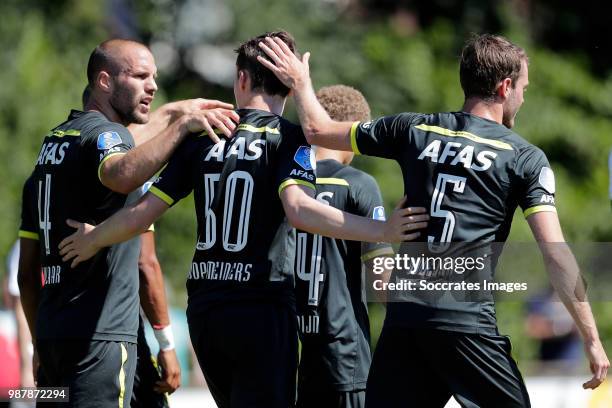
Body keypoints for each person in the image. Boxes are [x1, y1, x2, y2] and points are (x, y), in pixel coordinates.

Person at [57, 31, 428, 408]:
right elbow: (299, 210)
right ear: (288, 82)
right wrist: (383, 229)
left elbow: (142, 212)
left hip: (207, 313)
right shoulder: (289, 139)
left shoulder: (203, 135)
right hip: (261, 311)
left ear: (242, 79)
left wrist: (95, 238)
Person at [256, 33, 609, 407]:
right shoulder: (523, 157)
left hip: (407, 319)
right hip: (466, 320)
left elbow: (317, 131)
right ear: (505, 87)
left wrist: (301, 83)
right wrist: (591, 337)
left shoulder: (415, 129)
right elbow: (555, 254)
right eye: (523, 88)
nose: (523, 97)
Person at [17, 38, 239, 407]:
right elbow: (121, 175)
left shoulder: (51, 153)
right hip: (100, 342)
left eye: (153, 76)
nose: (152, 84)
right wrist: (181, 129)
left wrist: (38, 342)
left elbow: (27, 274)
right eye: (139, 76)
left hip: (53, 338)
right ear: (105, 81)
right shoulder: (110, 138)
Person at [295, 85, 393, 408]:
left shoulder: (287, 185)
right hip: (343, 353)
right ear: (350, 132)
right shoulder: (359, 184)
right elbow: (382, 283)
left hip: (289, 349)